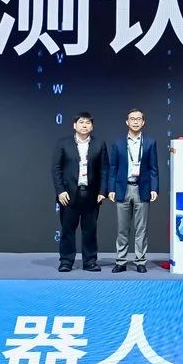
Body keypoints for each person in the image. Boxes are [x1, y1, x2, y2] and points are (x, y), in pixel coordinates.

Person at [52, 112, 110, 272]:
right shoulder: (63, 143)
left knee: (90, 230)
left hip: (92, 194)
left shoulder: (99, 144)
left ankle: (90, 261)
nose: (84, 125)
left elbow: (104, 169)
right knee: (67, 230)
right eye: (81, 122)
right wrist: (60, 191)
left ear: (92, 126)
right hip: (68, 194)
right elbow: (56, 169)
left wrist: (103, 191)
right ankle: (66, 261)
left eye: (88, 122)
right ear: (74, 125)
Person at [107, 108, 159, 274]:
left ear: (143, 122)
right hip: (123, 188)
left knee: (141, 229)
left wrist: (154, 188)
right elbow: (113, 168)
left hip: (142, 189)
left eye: (138, 119)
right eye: (132, 119)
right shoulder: (118, 143)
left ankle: (140, 261)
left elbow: (153, 168)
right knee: (122, 229)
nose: (135, 121)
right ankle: (121, 261)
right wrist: (111, 188)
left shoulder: (150, 142)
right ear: (127, 122)